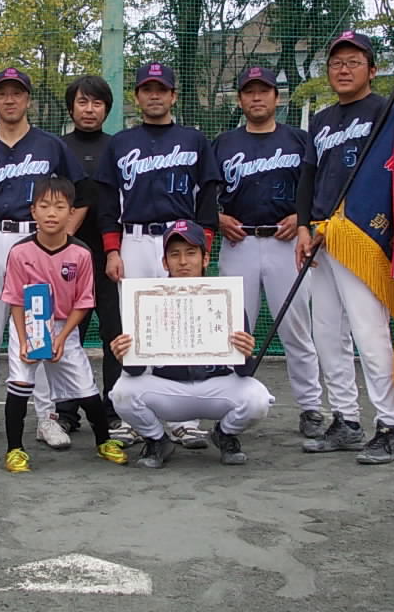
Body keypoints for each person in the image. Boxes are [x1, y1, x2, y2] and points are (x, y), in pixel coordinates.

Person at [0, 67, 90, 451]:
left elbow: (82, 194)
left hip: (36, 243)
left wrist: (63, 238)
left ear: (28, 99)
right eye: (2, 93)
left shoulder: (50, 146)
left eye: (17, 92)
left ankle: (46, 417)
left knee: (38, 332)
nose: (9, 99)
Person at [95, 62, 223, 450]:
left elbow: (208, 195)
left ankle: (185, 419)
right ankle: (135, 418)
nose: (154, 95)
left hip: (180, 239)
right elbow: (106, 202)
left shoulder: (193, 140)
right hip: (134, 239)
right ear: (137, 96)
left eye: (161, 89)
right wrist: (112, 249)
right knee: (135, 328)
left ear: (173, 95)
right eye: (147, 89)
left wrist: (203, 245)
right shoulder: (120, 143)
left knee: (182, 326)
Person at [295, 30, 394, 464]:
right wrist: (303, 227)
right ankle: (346, 420)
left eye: (354, 62)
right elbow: (309, 177)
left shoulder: (387, 110)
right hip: (322, 238)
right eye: (336, 63)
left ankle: (390, 426)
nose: (343, 69)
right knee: (327, 334)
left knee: (369, 333)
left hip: (362, 238)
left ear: (372, 70)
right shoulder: (322, 119)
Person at [212, 66, 327, 439]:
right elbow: (204, 193)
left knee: (296, 328)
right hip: (239, 242)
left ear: (277, 98)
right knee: (233, 330)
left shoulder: (299, 140)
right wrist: (217, 218)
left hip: (286, 244)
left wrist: (302, 217)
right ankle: (229, 405)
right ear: (240, 99)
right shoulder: (223, 144)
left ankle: (310, 407)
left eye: (264, 91)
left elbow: (318, 189)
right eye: (249, 91)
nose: (257, 97)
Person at [109, 220, 273, 468]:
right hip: (169, 390)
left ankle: (225, 433)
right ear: (165, 262)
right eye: (175, 254)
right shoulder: (147, 300)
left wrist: (246, 353)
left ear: (205, 258)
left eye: (191, 253)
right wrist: (124, 356)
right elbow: (136, 371)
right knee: (122, 392)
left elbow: (244, 372)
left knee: (257, 398)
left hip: (214, 388)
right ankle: (157, 440)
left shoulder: (226, 297)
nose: (183, 261)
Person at [0, 177, 129, 472]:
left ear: (71, 212)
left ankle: (104, 441)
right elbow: (15, 300)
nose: (51, 213)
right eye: (44, 206)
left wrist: (61, 338)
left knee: (86, 391)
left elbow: (83, 302)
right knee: (20, 384)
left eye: (59, 206)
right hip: (28, 325)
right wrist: (24, 340)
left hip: (64, 327)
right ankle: (14, 450)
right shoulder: (19, 252)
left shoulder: (81, 253)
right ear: (33, 211)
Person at [55, 76, 135, 445]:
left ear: (108, 108)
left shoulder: (119, 147)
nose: (89, 110)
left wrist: (113, 249)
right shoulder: (57, 148)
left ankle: (115, 409)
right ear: (71, 107)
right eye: (82, 102)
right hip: (65, 257)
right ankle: (65, 410)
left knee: (115, 331)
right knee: (68, 333)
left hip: (110, 255)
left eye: (97, 103)